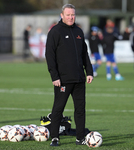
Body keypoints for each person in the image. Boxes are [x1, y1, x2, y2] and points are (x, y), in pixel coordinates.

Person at [45, 4, 93, 146]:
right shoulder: (55, 32)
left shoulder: (78, 31)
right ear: (62, 15)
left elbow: (84, 54)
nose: (71, 17)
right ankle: (55, 137)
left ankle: (80, 138)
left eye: (73, 15)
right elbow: (49, 55)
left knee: (80, 110)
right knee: (58, 109)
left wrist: (89, 72)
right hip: (63, 80)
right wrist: (54, 76)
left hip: (79, 79)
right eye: (68, 15)